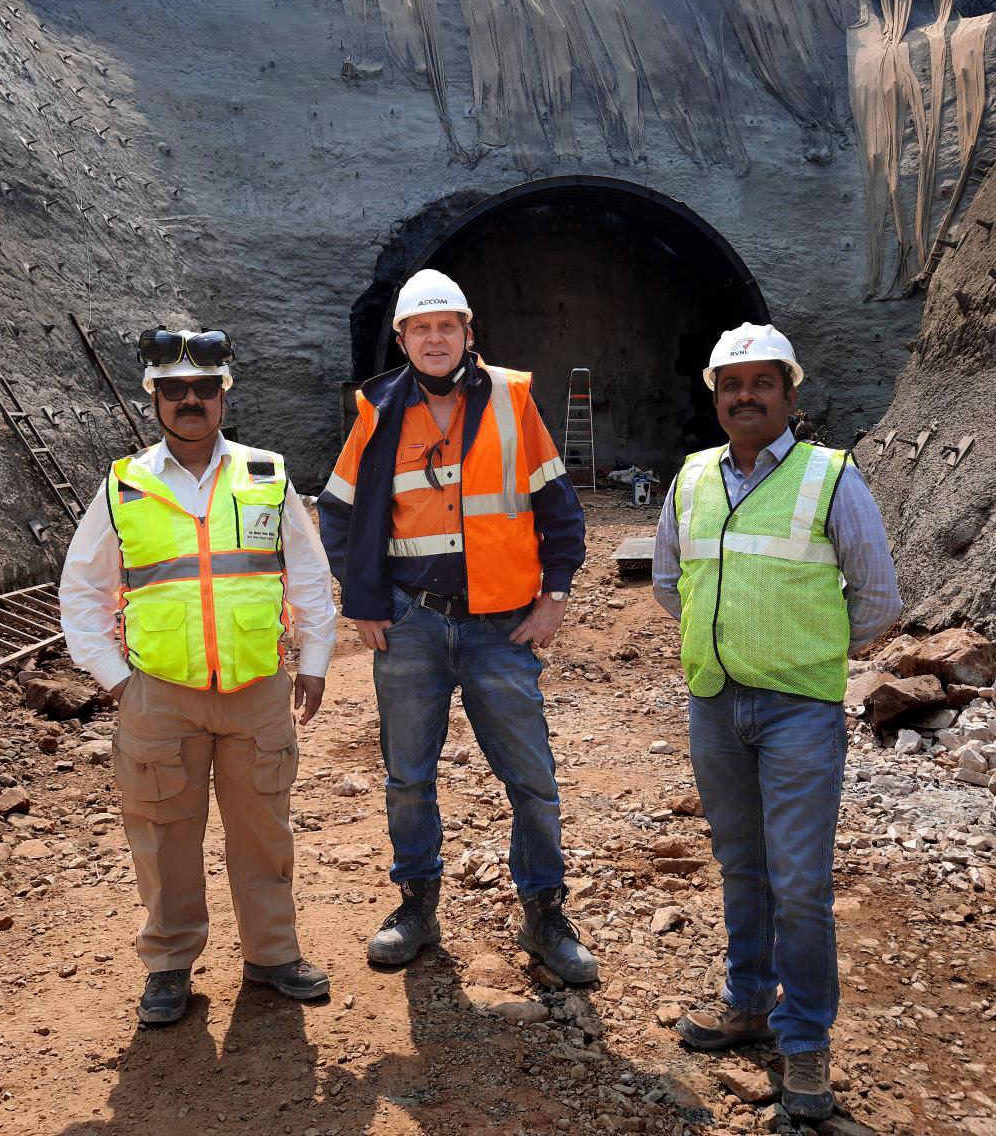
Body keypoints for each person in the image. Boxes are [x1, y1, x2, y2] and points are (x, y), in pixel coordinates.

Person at [317, 269, 596, 984]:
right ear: (403, 339)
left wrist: (555, 595)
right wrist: (364, 600)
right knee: (408, 778)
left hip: (500, 627)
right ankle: (416, 908)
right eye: (422, 328)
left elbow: (558, 507)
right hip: (412, 623)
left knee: (531, 779)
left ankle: (544, 914)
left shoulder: (510, 400)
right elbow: (339, 512)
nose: (435, 339)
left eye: (448, 326)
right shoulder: (379, 410)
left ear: (469, 334)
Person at [651, 322, 901, 1120]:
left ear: (791, 394)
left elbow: (878, 599)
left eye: (762, 382)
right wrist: (723, 640)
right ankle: (749, 1002)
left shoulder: (830, 477)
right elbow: (669, 582)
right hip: (715, 701)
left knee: (799, 883)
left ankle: (805, 1041)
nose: (745, 396)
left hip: (798, 711)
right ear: (715, 397)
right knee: (741, 865)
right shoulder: (692, 477)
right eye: (731, 384)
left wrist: (806, 651)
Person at [60, 327, 336, 1026]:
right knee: (163, 836)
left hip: (256, 691)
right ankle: (169, 965)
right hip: (160, 695)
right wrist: (117, 680)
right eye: (174, 389)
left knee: (264, 831)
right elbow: (82, 590)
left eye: (204, 388)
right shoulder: (125, 485)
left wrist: (313, 661)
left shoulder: (266, 475)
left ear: (223, 395)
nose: (190, 400)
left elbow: (307, 573)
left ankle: (272, 956)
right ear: (153, 397)